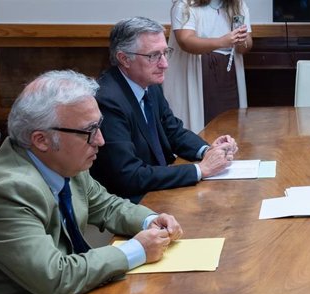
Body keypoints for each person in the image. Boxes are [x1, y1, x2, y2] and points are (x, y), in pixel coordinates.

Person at [0, 70, 182, 294]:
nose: (101, 141)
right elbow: (55, 277)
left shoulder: (62, 160)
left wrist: (149, 220)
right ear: (41, 139)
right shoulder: (4, 190)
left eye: (99, 126)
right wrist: (137, 250)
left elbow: (106, 205)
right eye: (89, 131)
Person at [90, 16, 238, 204]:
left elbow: (173, 131)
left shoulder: (148, 83)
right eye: (153, 56)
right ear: (124, 59)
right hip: (131, 202)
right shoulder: (107, 100)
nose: (164, 64)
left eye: (165, 52)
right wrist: (200, 170)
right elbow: (128, 175)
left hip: (158, 189)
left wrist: (208, 150)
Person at [165, 0, 252, 133]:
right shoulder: (185, 5)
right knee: (199, 129)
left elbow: (246, 46)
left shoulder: (238, 5)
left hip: (228, 74)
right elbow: (185, 41)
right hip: (197, 73)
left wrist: (241, 40)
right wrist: (222, 42)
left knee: (230, 127)